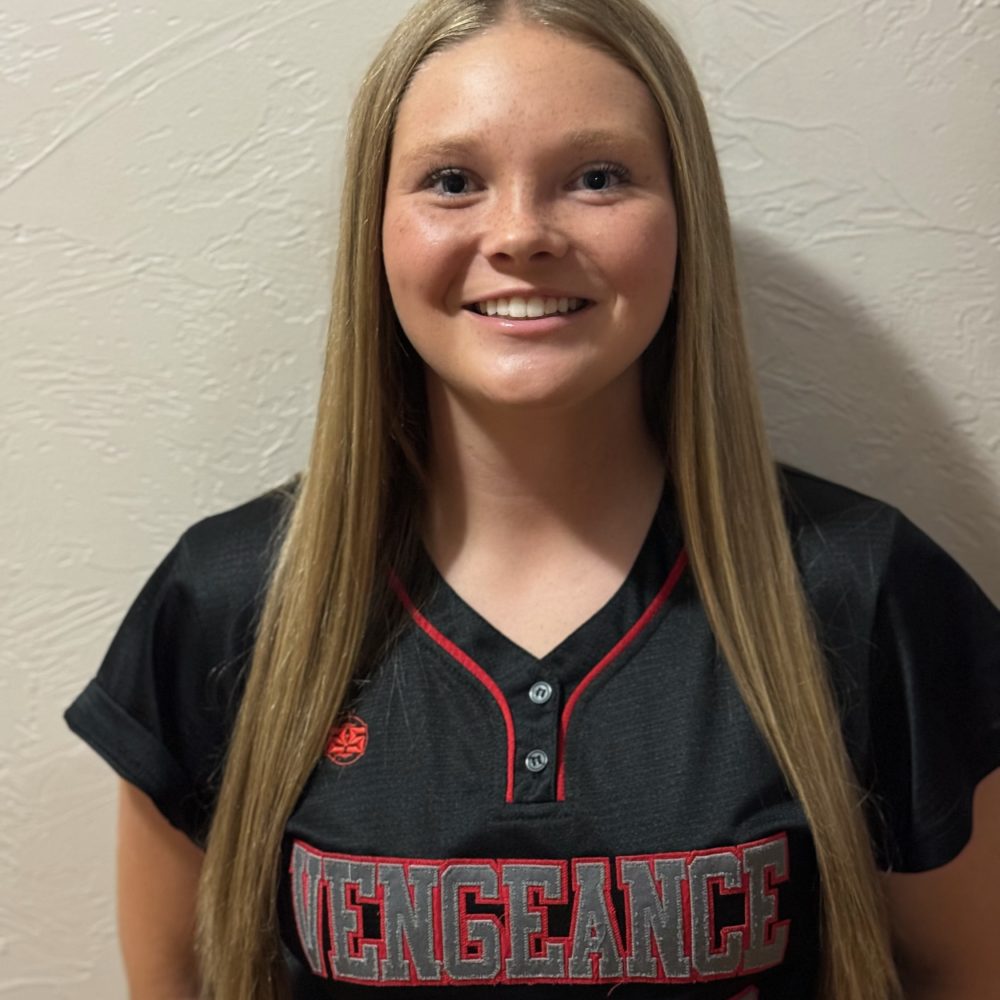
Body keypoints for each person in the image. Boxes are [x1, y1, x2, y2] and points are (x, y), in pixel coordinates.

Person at [64, 0, 1000, 997]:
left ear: (683, 214)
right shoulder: (226, 600)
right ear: (377, 226)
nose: (518, 234)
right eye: (452, 180)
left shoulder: (864, 591)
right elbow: (179, 976)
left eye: (597, 177)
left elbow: (961, 971)